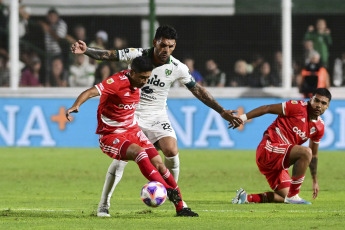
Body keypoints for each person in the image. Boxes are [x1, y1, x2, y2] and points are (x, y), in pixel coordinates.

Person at [71, 25, 242, 217]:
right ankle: (104, 204)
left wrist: (221, 111)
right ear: (155, 43)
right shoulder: (137, 55)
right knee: (121, 161)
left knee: (171, 151)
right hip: (131, 114)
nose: (166, 50)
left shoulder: (177, 67)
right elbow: (109, 55)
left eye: (170, 46)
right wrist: (87, 51)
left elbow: (198, 90)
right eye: (163, 45)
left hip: (157, 116)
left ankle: (176, 200)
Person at [65, 56, 198, 217]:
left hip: (133, 130)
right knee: (138, 153)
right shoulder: (116, 82)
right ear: (132, 72)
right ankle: (164, 190)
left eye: (147, 78)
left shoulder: (140, 80)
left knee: (160, 165)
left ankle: (181, 207)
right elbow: (90, 91)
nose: (144, 81)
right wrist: (76, 105)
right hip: (111, 134)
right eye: (142, 78)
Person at [232, 88, 332, 205]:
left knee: (284, 197)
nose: (319, 105)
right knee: (306, 152)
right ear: (311, 99)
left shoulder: (319, 127)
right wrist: (242, 118)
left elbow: (314, 155)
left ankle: (246, 198)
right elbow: (267, 108)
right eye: (317, 100)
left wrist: (315, 180)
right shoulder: (297, 107)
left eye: (323, 103)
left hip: (280, 163)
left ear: (328, 106)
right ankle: (294, 195)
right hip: (268, 149)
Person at [38, 8, 67, 86]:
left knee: (57, 71)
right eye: (50, 16)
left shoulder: (61, 24)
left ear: (57, 17)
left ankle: (61, 85)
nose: (51, 18)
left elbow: (59, 38)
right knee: (48, 71)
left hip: (58, 53)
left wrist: (48, 29)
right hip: (48, 53)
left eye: (53, 16)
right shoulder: (47, 25)